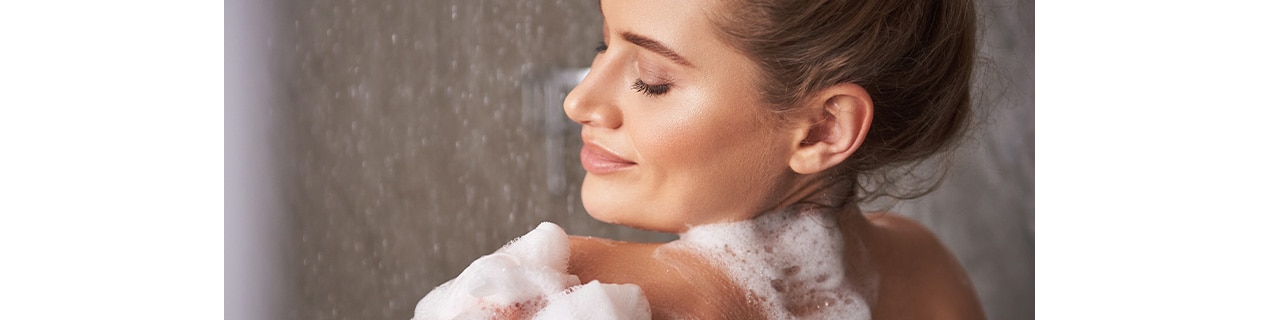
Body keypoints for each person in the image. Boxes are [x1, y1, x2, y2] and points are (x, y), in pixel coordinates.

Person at [415, 0, 984, 318]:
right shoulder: (928, 272)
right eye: (602, 45)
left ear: (822, 128)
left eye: (651, 80)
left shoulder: (554, 295)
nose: (578, 100)